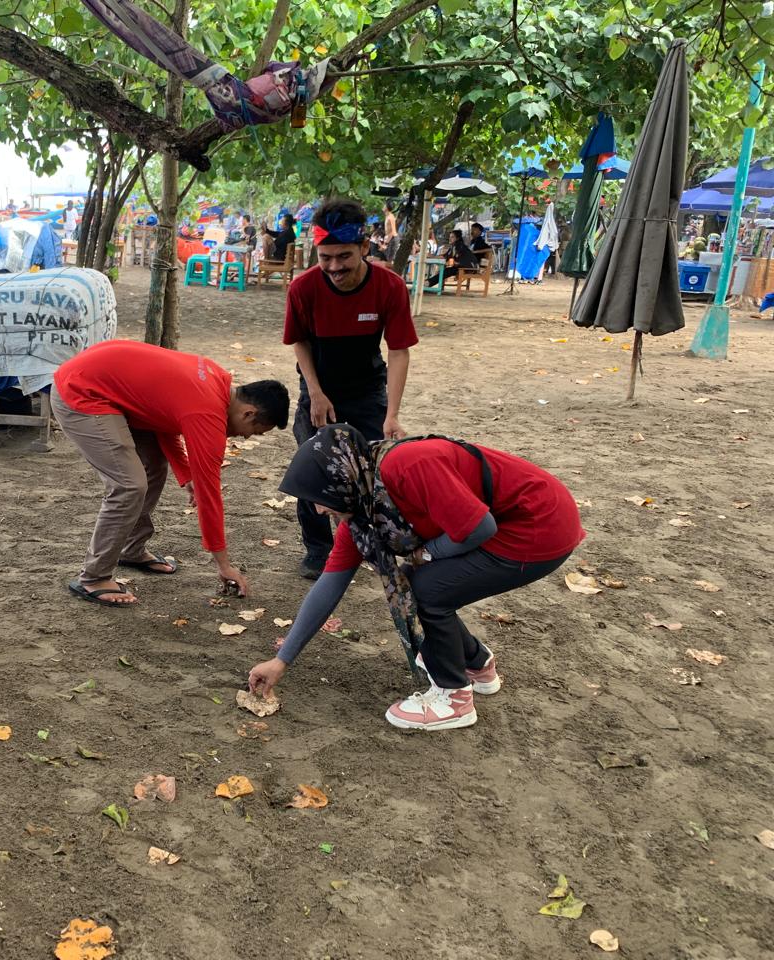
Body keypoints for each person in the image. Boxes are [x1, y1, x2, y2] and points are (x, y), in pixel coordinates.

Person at [248, 425, 584, 731]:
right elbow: (330, 583)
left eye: (320, 499)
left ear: (341, 478)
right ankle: (477, 664)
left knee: (424, 588)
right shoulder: (362, 507)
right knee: (416, 584)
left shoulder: (406, 465)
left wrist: (428, 553)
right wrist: (282, 660)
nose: (319, 511)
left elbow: (480, 528)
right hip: (512, 522)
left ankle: (453, 698)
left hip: (538, 524)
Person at [52, 340, 289, 607]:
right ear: (248, 413)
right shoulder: (208, 412)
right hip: (81, 391)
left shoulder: (216, 380)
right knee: (129, 485)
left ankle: (131, 549)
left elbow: (163, 418)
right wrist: (224, 565)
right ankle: (94, 578)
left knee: (153, 467)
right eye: (254, 432)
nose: (245, 437)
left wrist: (186, 474)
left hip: (102, 383)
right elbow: (209, 496)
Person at [284, 197, 417, 580]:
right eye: (325, 257)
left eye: (344, 256)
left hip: (367, 388)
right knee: (314, 470)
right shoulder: (304, 288)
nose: (334, 267)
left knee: (373, 470)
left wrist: (392, 413)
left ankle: (370, 542)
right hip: (319, 386)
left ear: (364, 247)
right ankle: (318, 549)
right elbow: (299, 342)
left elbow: (398, 351)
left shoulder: (389, 287)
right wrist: (315, 392)